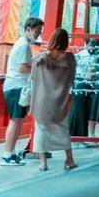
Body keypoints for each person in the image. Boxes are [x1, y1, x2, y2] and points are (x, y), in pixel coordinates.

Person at [29, 29, 78, 171]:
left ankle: (43, 163)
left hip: (41, 100)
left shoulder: (41, 58)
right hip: (59, 101)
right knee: (62, 130)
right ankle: (69, 160)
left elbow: (32, 76)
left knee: (41, 131)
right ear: (65, 41)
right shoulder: (69, 58)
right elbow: (71, 79)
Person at [0, 16, 44, 166]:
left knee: (17, 121)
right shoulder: (23, 46)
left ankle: (10, 153)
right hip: (16, 86)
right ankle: (7, 154)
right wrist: (38, 68)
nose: (38, 34)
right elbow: (22, 67)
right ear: (28, 29)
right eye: (37, 31)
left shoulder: (23, 44)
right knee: (15, 120)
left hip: (16, 86)